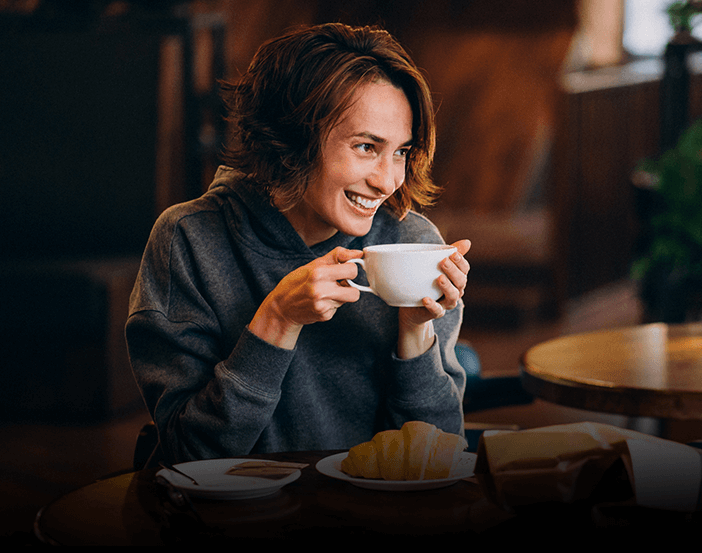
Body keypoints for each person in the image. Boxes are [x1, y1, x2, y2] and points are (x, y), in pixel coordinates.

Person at [126, 23, 470, 467]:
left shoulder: (413, 244)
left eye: (401, 151)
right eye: (366, 147)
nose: (388, 180)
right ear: (290, 140)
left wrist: (415, 334)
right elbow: (189, 454)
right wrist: (276, 320)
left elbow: (438, 454)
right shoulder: (189, 239)